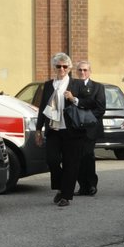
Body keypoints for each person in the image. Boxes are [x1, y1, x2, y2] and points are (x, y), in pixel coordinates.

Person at [34, 52, 83, 207]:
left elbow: (87, 104)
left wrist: (73, 99)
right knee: (52, 160)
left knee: (70, 163)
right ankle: (61, 187)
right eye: (58, 66)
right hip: (53, 129)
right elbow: (43, 107)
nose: (61, 69)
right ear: (54, 68)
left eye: (64, 66)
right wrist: (38, 130)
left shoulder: (77, 84)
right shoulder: (49, 85)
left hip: (71, 130)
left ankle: (66, 196)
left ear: (69, 68)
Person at [71, 59, 106, 196]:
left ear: (90, 72)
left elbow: (100, 108)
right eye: (80, 70)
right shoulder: (71, 86)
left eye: (85, 70)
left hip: (90, 128)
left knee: (88, 156)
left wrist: (84, 115)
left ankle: (92, 185)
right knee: (76, 157)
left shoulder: (98, 87)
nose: (82, 72)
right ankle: (82, 186)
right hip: (74, 128)